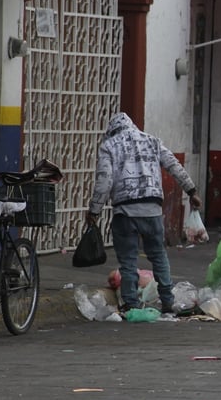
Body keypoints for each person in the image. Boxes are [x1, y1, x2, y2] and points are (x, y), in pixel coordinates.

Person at [87, 112, 202, 313]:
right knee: (158, 255)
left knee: (128, 260)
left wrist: (94, 210)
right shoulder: (152, 141)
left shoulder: (109, 146)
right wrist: (191, 191)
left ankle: (131, 303)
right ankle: (167, 300)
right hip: (152, 209)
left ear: (111, 130)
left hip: (125, 211)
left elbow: (104, 181)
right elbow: (173, 165)